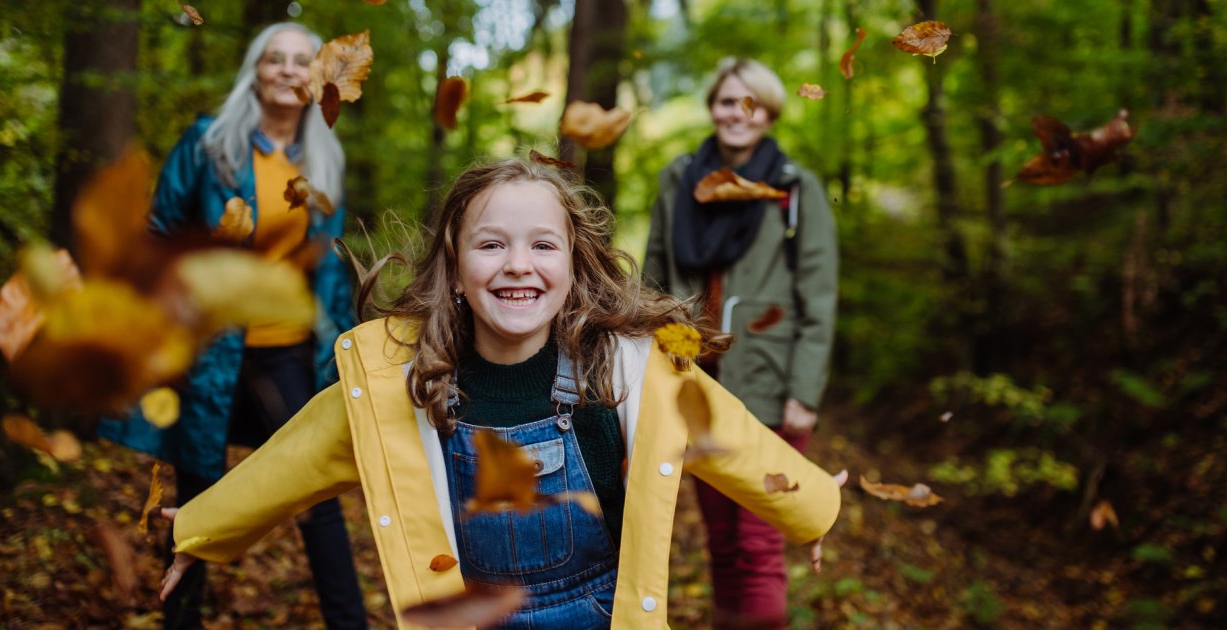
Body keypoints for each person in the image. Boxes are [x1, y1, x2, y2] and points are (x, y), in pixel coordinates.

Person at [157, 157, 842, 628]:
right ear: (455, 268)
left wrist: (813, 505)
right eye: (491, 245)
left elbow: (736, 439)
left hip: (601, 614)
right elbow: (297, 459)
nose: (518, 264)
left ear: (574, 266)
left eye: (543, 246)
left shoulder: (627, 369)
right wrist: (200, 528)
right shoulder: (405, 383)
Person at [96, 22, 367, 629]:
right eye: (276, 58)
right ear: (256, 68)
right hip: (210, 347)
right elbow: (161, 231)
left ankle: (350, 623)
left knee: (314, 490)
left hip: (287, 351)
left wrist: (339, 345)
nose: (289, 69)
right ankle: (181, 620)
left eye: (302, 60)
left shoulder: (324, 157)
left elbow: (326, 265)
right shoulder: (206, 143)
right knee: (198, 490)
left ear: (316, 77)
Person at [642, 57, 839, 627]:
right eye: (728, 100)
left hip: (769, 382)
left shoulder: (795, 187)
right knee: (721, 540)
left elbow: (819, 297)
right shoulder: (680, 178)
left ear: (769, 112)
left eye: (750, 102)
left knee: (757, 543)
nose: (737, 112)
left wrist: (804, 393)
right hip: (696, 381)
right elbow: (656, 274)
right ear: (712, 107)